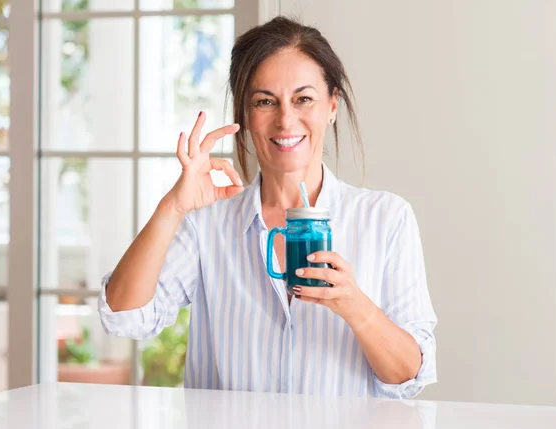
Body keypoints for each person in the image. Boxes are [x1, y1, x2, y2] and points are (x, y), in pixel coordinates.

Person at [98, 16, 437, 399]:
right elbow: (124, 317)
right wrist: (173, 206)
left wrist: (354, 305)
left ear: (332, 105)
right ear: (244, 115)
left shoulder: (386, 219)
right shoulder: (208, 226)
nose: (285, 119)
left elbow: (410, 375)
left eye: (303, 98)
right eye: (265, 101)